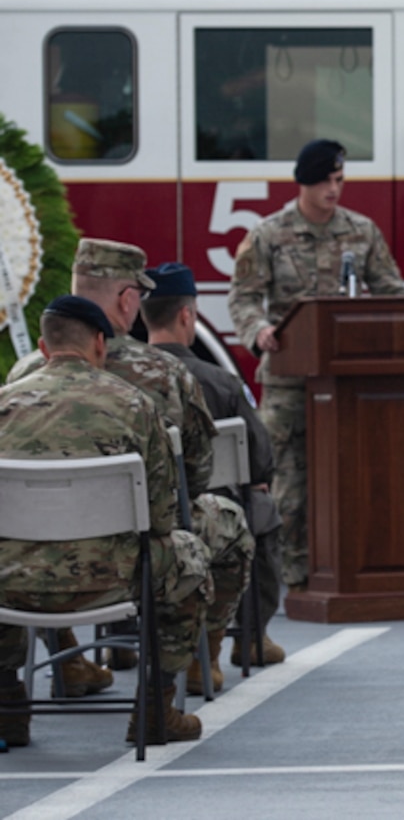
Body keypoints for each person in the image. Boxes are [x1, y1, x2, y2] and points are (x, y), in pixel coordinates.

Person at [8, 240, 249, 699]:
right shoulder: (165, 374)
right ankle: (194, 668)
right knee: (224, 525)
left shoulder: (19, 378)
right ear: (127, 300)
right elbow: (194, 477)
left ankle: (31, 684)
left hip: (22, 568)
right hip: (122, 566)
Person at [0, 297, 212, 747]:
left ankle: (7, 703)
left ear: (42, 346)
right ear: (101, 343)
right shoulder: (134, 404)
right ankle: (156, 706)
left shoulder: (3, 404)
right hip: (113, 581)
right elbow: (159, 517)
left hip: (11, 584)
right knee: (188, 554)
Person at [227, 139, 404, 596]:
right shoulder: (269, 234)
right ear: (304, 183)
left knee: (355, 473)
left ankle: (353, 566)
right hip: (290, 377)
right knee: (289, 479)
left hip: (349, 380)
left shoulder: (361, 231)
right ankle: (292, 573)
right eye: (326, 180)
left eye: (340, 180)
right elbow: (244, 296)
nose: (334, 189)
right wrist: (259, 330)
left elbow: (391, 294)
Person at [142, 262, 286, 673]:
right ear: (187, 315)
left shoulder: (117, 381)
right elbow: (260, 463)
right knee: (261, 510)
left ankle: (122, 644)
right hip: (210, 520)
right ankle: (245, 639)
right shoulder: (220, 382)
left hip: (133, 522)